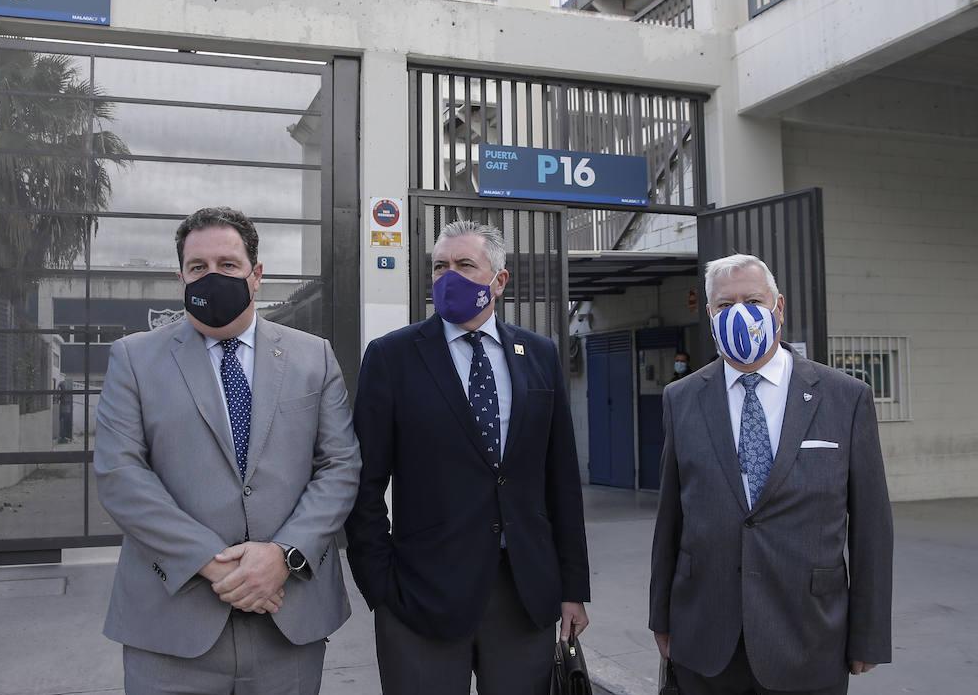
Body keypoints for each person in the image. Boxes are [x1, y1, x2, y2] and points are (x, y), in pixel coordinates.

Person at [94, 207, 361, 695]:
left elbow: (340, 465)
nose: (212, 277)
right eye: (198, 267)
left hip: (288, 616)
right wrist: (213, 565)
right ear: (181, 276)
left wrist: (283, 556)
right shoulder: (134, 358)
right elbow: (120, 473)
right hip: (172, 626)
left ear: (256, 275)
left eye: (228, 265)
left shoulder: (313, 356)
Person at [345, 220, 591, 695]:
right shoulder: (392, 357)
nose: (448, 277)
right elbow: (364, 482)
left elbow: (560, 479)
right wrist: (381, 587)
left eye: (464, 265)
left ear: (499, 281)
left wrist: (573, 586)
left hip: (524, 595)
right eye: (439, 267)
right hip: (421, 597)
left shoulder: (539, 354)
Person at [649, 253, 893, 695]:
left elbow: (872, 527)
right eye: (725, 305)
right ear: (709, 315)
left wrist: (869, 633)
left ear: (778, 308)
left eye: (753, 300)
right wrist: (661, 617)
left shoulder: (845, 397)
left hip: (808, 638)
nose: (739, 312)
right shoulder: (681, 398)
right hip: (705, 637)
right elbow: (671, 518)